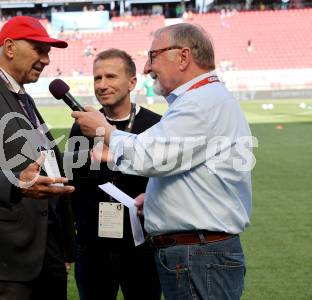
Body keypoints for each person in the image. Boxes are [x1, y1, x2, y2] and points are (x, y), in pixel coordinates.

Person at [71, 23, 253, 299]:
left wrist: (105, 131)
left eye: (152, 55)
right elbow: (179, 163)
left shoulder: (200, 102)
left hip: (198, 254)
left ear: (183, 57)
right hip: (196, 253)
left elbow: (150, 156)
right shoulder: (201, 100)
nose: (147, 67)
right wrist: (155, 199)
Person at [0, 16, 75, 300]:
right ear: (9, 47)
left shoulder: (24, 98)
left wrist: (59, 244)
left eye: (48, 52)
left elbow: (45, 161)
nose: (46, 59)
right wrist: (17, 184)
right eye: (39, 49)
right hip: (6, 254)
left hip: (44, 249)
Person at [68, 49, 161, 300]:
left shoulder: (155, 125)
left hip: (141, 246)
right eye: (97, 78)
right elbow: (74, 185)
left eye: (110, 76)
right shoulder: (81, 127)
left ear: (132, 82)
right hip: (92, 248)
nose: (102, 84)